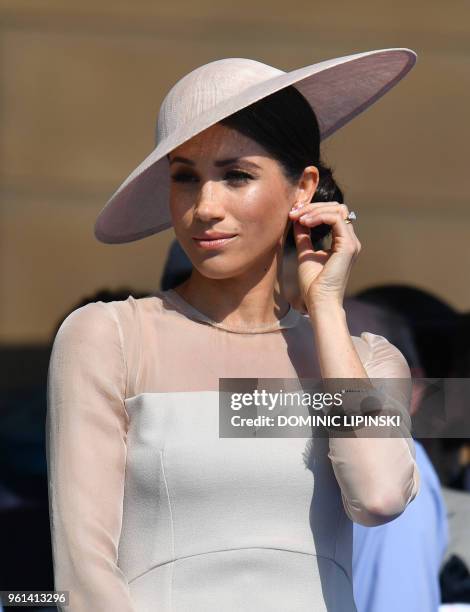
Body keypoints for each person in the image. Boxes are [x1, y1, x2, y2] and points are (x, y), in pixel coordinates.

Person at [46, 49, 421, 611]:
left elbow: (379, 495)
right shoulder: (109, 338)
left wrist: (326, 308)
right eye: (185, 178)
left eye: (236, 176)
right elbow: (83, 575)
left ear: (303, 189)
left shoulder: (368, 360)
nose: (204, 207)